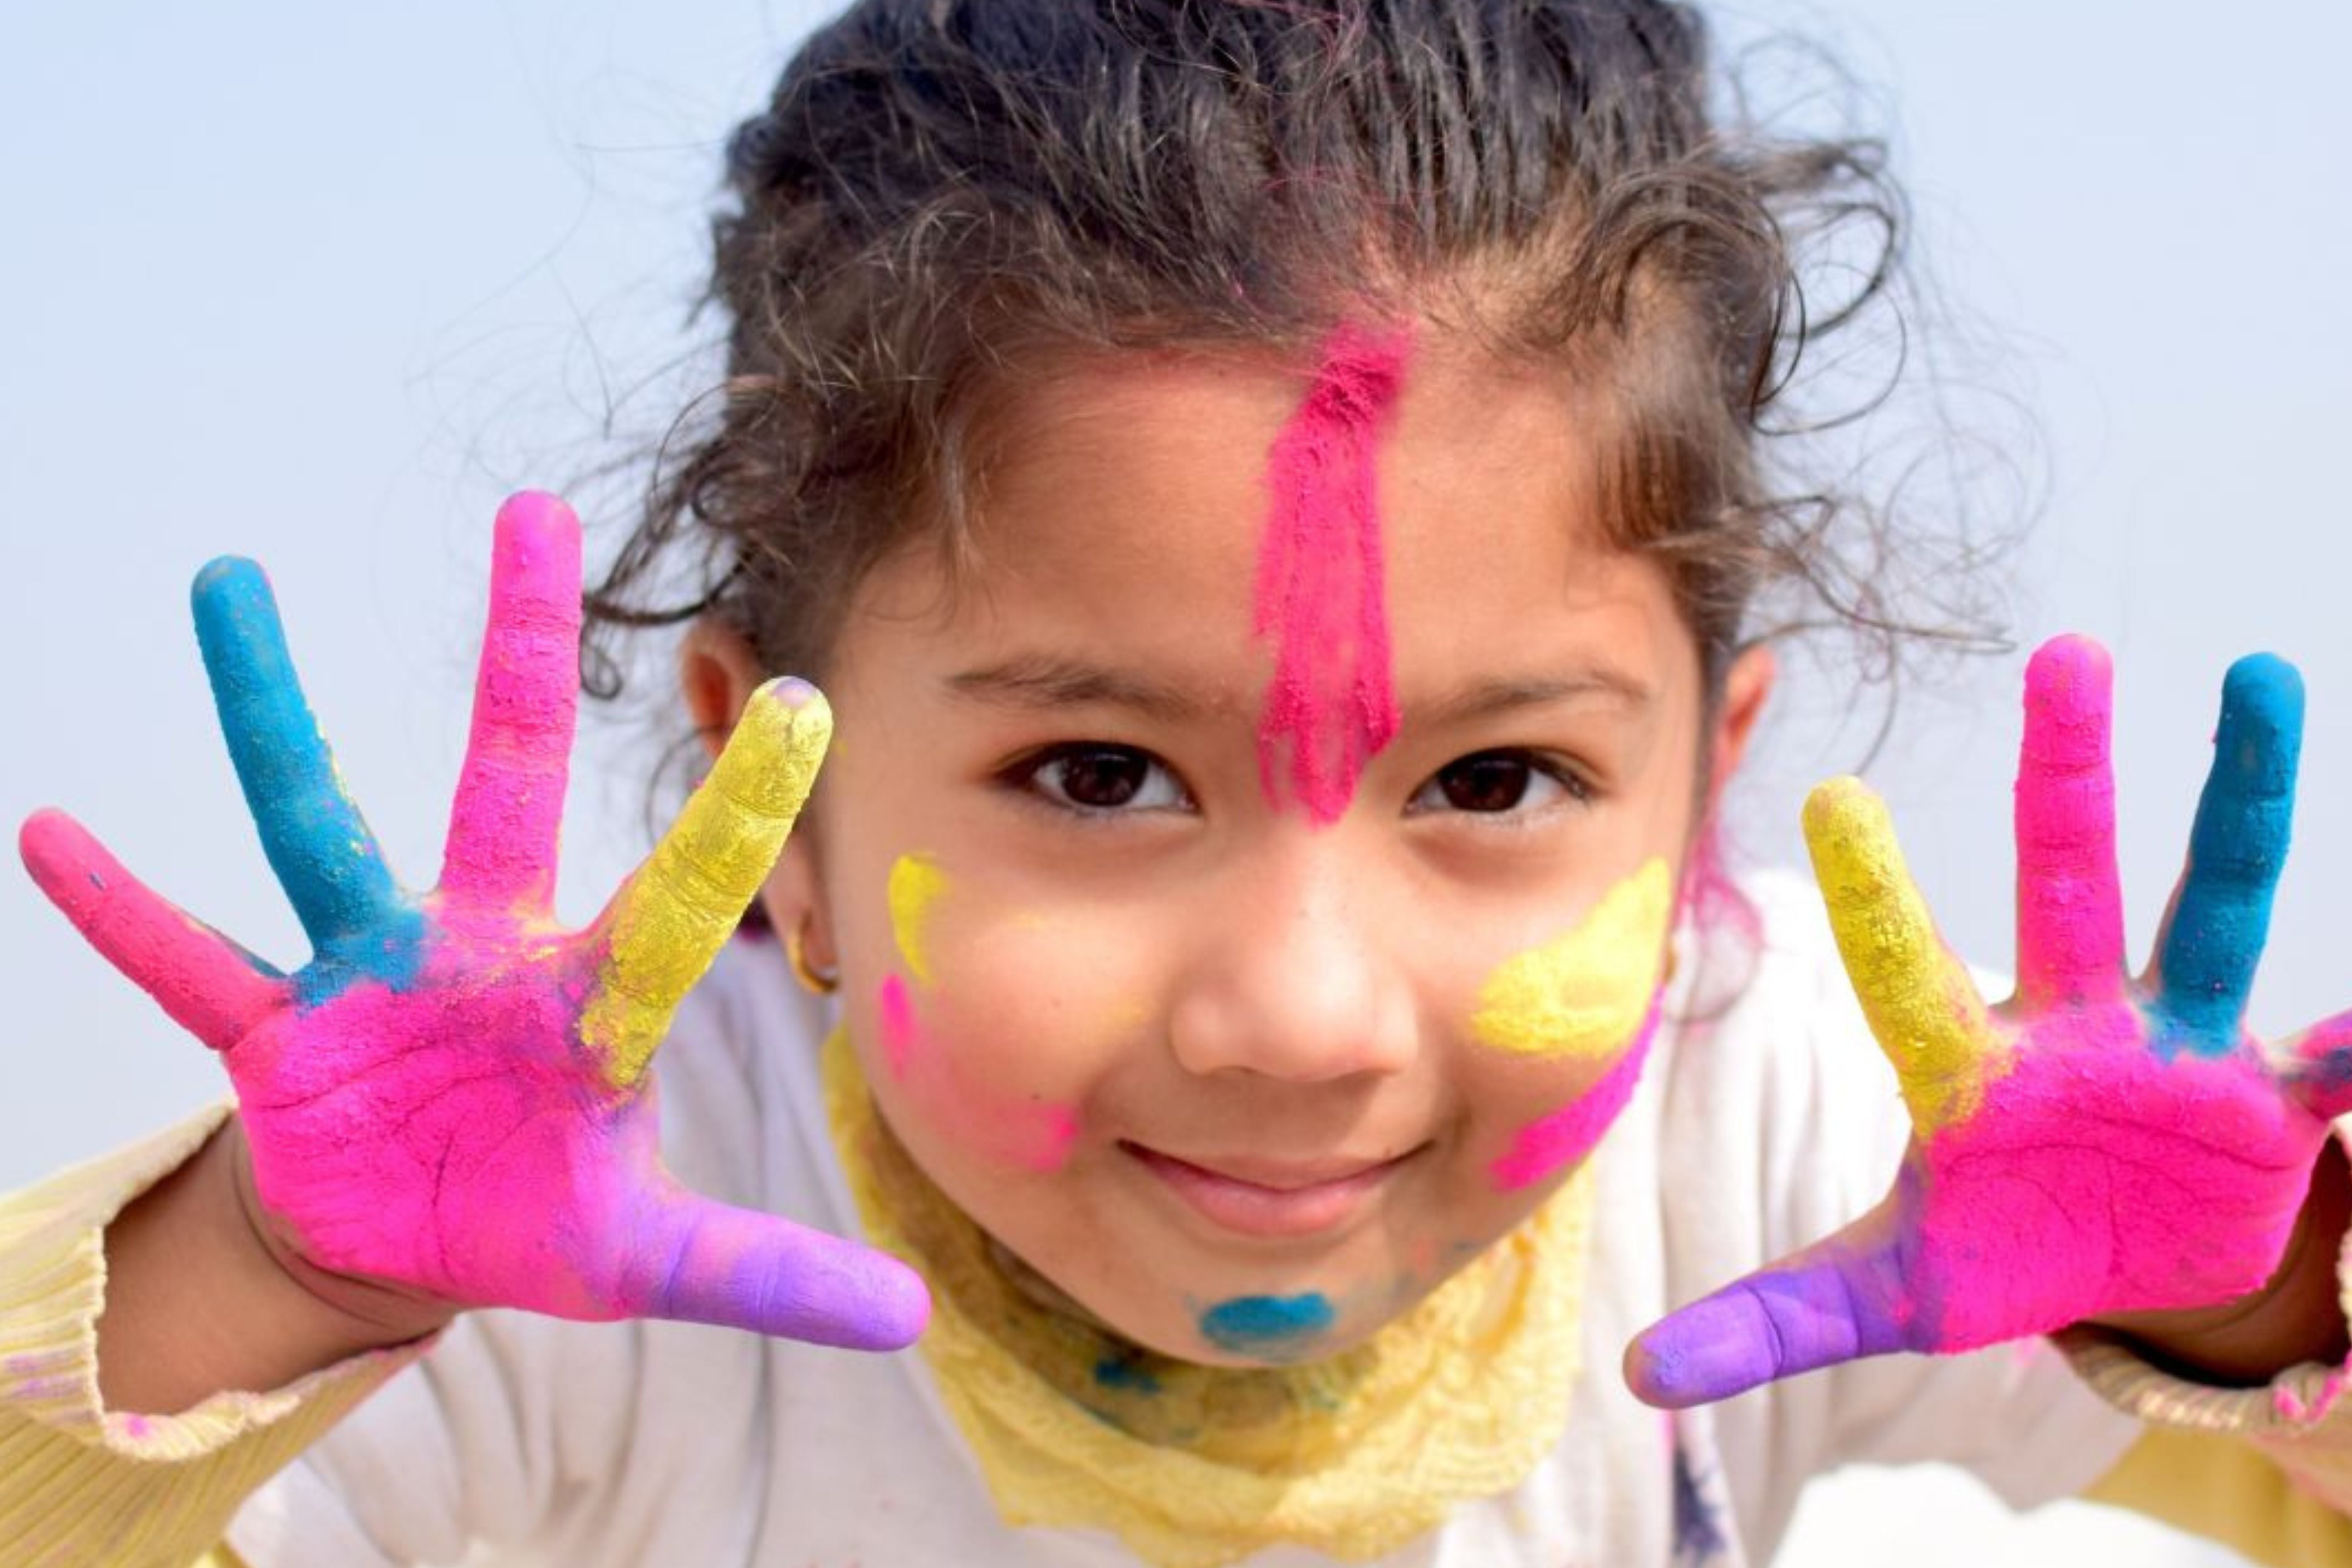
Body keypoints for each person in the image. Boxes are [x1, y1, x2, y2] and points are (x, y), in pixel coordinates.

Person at [5, 1, 2351, 1563]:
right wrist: (274, 1278)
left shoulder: (1779, 1137)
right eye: (1103, 772)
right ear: (781, 819)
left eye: (1507, 781)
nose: (1301, 1013)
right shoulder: (568, 1239)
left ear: (1702, 808)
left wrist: (2245, 1320)